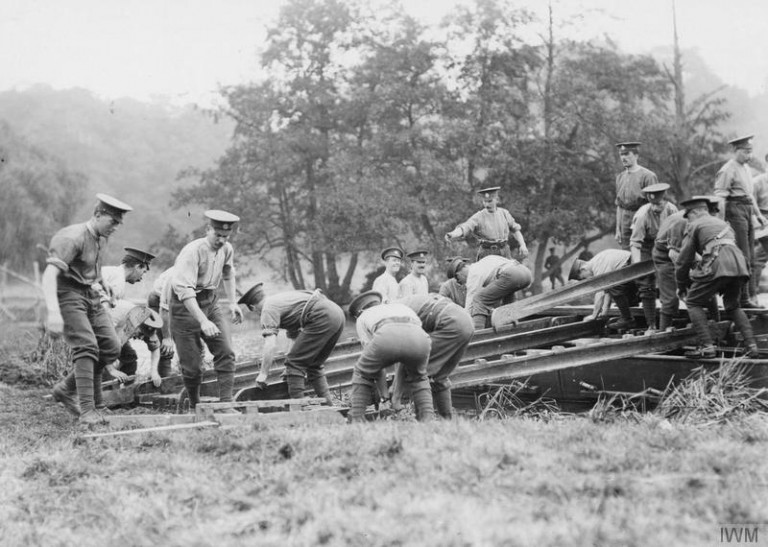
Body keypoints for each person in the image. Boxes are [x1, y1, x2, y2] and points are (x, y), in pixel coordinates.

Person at [43, 193, 132, 425]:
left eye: (119, 223)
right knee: (87, 347)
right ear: (98, 214)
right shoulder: (72, 238)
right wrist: (53, 313)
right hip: (67, 296)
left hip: (89, 294)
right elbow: (49, 275)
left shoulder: (101, 237)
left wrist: (104, 286)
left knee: (111, 347)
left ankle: (65, 389)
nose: (116, 227)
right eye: (113, 221)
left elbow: (93, 267)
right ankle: (88, 410)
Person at [170, 210, 244, 409]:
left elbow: (228, 273)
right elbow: (184, 291)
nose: (221, 240)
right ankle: (195, 406)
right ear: (208, 229)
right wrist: (203, 321)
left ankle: (226, 405)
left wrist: (232, 302)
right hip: (184, 308)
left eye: (225, 236)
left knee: (226, 351)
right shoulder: (192, 251)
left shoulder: (227, 249)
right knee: (192, 367)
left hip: (210, 302)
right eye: (217, 235)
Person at [675, 196, 759, 358]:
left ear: (695, 212)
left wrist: (682, 285)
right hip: (740, 266)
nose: (688, 220)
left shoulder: (695, 225)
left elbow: (683, 260)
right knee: (733, 306)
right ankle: (751, 346)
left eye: (689, 216)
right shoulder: (723, 224)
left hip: (718, 264)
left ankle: (707, 347)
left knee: (692, 302)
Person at [238, 283, 345, 405]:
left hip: (321, 316)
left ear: (252, 307)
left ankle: (298, 407)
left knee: (295, 363)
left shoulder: (267, 309)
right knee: (314, 364)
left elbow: (270, 345)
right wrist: (290, 370)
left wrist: (263, 374)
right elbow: (294, 338)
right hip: (337, 313)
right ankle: (329, 405)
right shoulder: (282, 301)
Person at [346, 291, 434, 422]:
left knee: (362, 372)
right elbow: (403, 363)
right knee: (420, 377)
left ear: (359, 311)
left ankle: (356, 418)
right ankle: (428, 420)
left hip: (387, 333)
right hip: (420, 338)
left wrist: (384, 397)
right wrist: (396, 397)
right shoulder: (400, 307)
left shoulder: (363, 317)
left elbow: (376, 368)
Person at [396, 293, 474, 419]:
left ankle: (425, 421)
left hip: (450, 323)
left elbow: (404, 356)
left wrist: (396, 394)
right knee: (440, 377)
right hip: (467, 322)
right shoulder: (407, 301)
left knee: (417, 371)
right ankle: (447, 420)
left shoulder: (395, 314)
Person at [713, 135, 766, 307]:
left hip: (747, 210)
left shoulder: (746, 168)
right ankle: (743, 299)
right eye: (746, 152)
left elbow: (749, 195)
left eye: (751, 152)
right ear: (736, 150)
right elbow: (720, 198)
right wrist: (720, 224)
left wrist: (758, 215)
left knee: (749, 255)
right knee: (743, 256)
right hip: (734, 211)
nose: (749, 155)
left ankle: (750, 297)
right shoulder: (728, 169)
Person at [629, 182, 679, 331]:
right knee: (646, 286)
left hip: (666, 245)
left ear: (665, 200)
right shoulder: (642, 214)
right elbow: (635, 243)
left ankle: (669, 320)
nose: (657, 208)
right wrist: (638, 267)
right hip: (646, 246)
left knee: (668, 281)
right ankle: (651, 324)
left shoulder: (672, 210)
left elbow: (678, 233)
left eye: (659, 204)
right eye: (653, 205)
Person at [444, 186, 529, 260]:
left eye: (490, 201)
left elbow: (515, 230)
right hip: (486, 254)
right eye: (484, 201)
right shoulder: (479, 216)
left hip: (504, 253)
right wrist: (453, 234)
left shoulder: (504, 213)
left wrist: (523, 245)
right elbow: (465, 227)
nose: (486, 204)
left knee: (517, 275)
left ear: (497, 200)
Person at [568, 249, 638, 329]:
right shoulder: (596, 262)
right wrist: (604, 312)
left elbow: (600, 293)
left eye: (584, 278)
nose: (587, 280)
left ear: (583, 269)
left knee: (615, 287)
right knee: (613, 286)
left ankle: (627, 319)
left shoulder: (598, 267)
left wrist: (594, 316)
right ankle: (632, 302)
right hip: (632, 263)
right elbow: (607, 290)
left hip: (633, 264)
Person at [461, 254, 533, 329]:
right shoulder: (484, 263)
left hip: (513, 274)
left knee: (479, 299)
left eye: (457, 278)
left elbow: (471, 298)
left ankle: (478, 333)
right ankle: (511, 326)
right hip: (525, 273)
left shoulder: (473, 271)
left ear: (459, 272)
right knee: (507, 303)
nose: (459, 281)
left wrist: (465, 319)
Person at [100, 303, 163, 388]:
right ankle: (103, 393)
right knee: (101, 365)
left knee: (130, 356)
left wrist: (154, 372)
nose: (140, 338)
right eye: (140, 334)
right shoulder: (117, 320)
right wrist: (112, 370)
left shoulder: (146, 321)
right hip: (98, 335)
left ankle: (127, 389)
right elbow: (101, 345)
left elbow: (155, 348)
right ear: (135, 325)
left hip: (117, 337)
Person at [614, 142, 658, 250]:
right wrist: (618, 229)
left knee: (643, 254)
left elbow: (655, 205)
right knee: (626, 255)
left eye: (627, 154)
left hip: (642, 220)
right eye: (621, 154)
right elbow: (619, 205)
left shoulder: (648, 176)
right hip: (625, 221)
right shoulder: (620, 177)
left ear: (636, 155)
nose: (623, 157)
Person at [146, 266, 176, 378]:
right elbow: (164, 309)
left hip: (181, 299)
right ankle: (162, 379)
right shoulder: (174, 277)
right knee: (164, 344)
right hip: (158, 300)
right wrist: (167, 337)